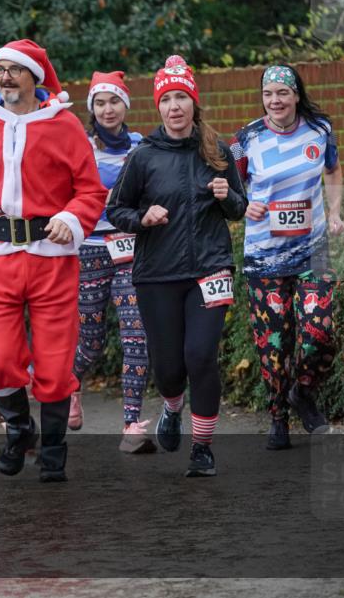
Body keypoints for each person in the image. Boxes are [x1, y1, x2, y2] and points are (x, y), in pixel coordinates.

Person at [0, 39, 107, 483]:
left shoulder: (65, 125)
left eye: (13, 70)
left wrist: (72, 219)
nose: (4, 77)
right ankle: (19, 428)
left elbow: (90, 190)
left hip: (52, 260)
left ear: (35, 75)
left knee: (55, 364)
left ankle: (54, 450)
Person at [107, 55, 248, 477]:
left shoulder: (216, 150)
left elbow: (238, 209)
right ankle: (171, 405)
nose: (174, 106)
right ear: (159, 107)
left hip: (210, 269)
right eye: (166, 98)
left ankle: (202, 448)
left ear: (193, 102)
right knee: (169, 368)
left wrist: (226, 195)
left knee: (200, 356)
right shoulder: (143, 156)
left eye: (181, 97)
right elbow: (116, 209)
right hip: (157, 275)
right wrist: (142, 217)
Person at [230, 64, 343, 449]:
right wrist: (245, 205)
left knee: (320, 330)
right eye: (268, 94)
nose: (275, 100)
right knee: (274, 343)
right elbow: (228, 182)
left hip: (313, 247)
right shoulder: (246, 138)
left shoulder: (321, 128)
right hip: (265, 256)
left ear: (296, 95)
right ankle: (277, 417)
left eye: (282, 92)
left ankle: (303, 392)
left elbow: (333, 169)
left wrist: (337, 211)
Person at [71, 71, 151, 453]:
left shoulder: (142, 147)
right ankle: (71, 385)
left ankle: (131, 424)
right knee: (91, 339)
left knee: (137, 335)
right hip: (88, 251)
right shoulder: (79, 147)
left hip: (131, 250)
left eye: (114, 101)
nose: (107, 109)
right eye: (100, 103)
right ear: (92, 109)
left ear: (125, 106)